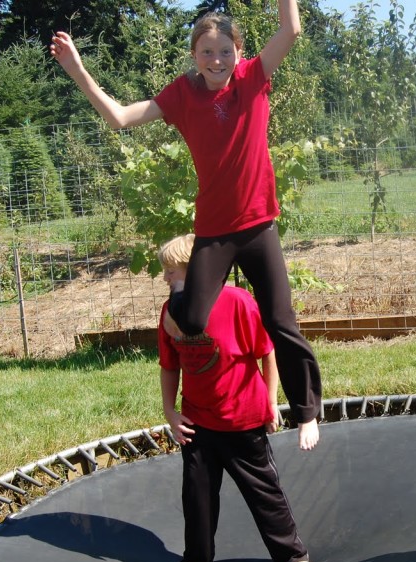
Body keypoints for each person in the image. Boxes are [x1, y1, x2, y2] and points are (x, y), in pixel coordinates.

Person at [51, 0, 322, 451]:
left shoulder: (253, 78)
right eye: (206, 53)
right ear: (194, 56)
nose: (216, 61)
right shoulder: (182, 94)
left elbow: (290, 30)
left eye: (224, 52)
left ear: (238, 52)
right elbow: (118, 118)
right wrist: (77, 68)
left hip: (258, 227)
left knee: (279, 319)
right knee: (192, 318)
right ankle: (200, 327)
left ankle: (307, 413)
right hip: (214, 232)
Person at [157, 234, 313, 562]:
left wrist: (271, 401)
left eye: (170, 271)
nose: (164, 278)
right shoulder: (170, 312)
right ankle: (196, 561)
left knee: (263, 491)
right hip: (197, 420)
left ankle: (291, 554)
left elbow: (267, 352)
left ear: (191, 270)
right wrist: (170, 412)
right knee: (196, 496)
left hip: (242, 418)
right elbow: (169, 365)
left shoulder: (238, 303)